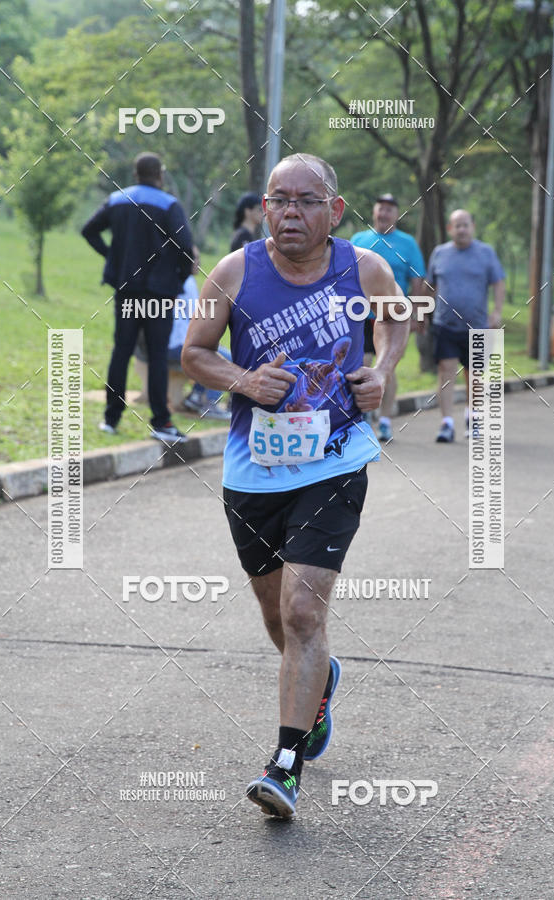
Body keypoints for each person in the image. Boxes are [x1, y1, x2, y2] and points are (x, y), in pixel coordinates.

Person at [182, 153, 409, 818]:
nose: (289, 213)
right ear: (263, 206)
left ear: (334, 212)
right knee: (277, 619)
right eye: (278, 200)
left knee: (304, 613)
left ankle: (285, 763)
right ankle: (321, 681)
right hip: (254, 470)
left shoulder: (363, 268)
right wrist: (244, 381)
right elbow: (195, 353)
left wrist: (384, 369)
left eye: (306, 201)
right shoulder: (233, 271)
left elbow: (396, 318)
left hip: (336, 459)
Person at [81, 152, 194, 444]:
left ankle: (111, 418)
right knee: (157, 356)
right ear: (160, 173)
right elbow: (185, 248)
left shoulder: (118, 199)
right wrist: (179, 280)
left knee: (122, 351)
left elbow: (88, 230)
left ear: (135, 173)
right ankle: (161, 422)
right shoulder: (169, 204)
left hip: (127, 291)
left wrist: (114, 261)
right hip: (160, 295)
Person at [425, 209, 505, 443]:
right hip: (445, 325)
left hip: (478, 326)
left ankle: (473, 419)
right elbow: (430, 286)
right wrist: (422, 313)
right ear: (450, 229)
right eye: (456, 225)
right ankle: (447, 423)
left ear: (473, 226)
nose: (461, 229)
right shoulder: (440, 253)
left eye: (465, 225)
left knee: (475, 376)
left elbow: (499, 282)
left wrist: (497, 311)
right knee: (446, 372)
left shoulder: (486, 253)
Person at [350, 193, 425, 441]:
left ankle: (384, 420)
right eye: (380, 209)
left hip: (393, 313)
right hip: (360, 312)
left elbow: (417, 280)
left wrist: (415, 314)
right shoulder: (359, 240)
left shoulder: (407, 243)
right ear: (374, 212)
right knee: (361, 361)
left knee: (386, 366)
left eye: (389, 210)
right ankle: (362, 417)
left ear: (397, 215)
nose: (383, 214)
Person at [168, 272, 232, 421]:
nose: (198, 262)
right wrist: (208, 342)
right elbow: (196, 316)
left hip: (166, 342)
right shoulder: (187, 280)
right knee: (223, 358)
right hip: (176, 344)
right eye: (195, 258)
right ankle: (210, 404)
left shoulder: (170, 275)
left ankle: (196, 396)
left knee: (212, 353)